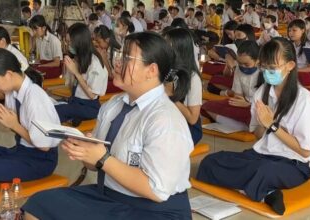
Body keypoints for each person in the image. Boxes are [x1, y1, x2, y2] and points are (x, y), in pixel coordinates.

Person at [22, 31, 194, 220]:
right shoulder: (114, 104)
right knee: (38, 205)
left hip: (153, 209)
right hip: (109, 197)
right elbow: (96, 165)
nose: (117, 63)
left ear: (151, 70)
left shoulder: (165, 119)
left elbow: (156, 190)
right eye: (118, 56)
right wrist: (85, 152)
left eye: (127, 58)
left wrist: (103, 158)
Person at [197, 37, 310, 216]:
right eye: (265, 67)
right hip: (261, 154)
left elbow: (305, 152)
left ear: (290, 65)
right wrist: (263, 126)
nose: (268, 72)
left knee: (264, 171)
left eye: (273, 67)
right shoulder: (262, 91)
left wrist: (273, 125)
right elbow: (258, 135)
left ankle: (256, 187)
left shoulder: (304, 99)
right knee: (210, 162)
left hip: (293, 164)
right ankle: (265, 192)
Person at [0, 48, 60, 198]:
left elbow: (44, 146)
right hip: (20, 151)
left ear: (9, 74)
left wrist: (14, 125)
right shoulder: (12, 93)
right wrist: (10, 124)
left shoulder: (35, 98)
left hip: (40, 161)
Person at [55, 23, 108, 126]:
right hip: (75, 102)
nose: (68, 45)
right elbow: (70, 86)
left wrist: (76, 73)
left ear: (79, 42)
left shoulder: (95, 63)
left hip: (89, 107)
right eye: (67, 42)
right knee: (49, 105)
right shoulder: (78, 58)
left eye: (70, 42)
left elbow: (92, 95)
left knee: (56, 111)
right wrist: (68, 70)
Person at [202, 41, 261, 131]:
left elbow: (269, 104)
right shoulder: (238, 69)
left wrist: (249, 105)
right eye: (240, 63)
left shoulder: (265, 73)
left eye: (246, 64)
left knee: (256, 116)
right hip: (243, 105)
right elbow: (237, 95)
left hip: (257, 108)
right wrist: (239, 102)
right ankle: (241, 126)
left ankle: (243, 125)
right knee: (206, 106)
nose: (242, 67)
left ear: (257, 61)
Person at [163, 28, 203, 145]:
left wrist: (170, 96)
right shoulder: (166, 69)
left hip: (186, 127)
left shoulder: (193, 78)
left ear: (179, 49)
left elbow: (192, 119)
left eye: (167, 45)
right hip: (165, 119)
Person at [93, 25, 122, 93]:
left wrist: (104, 60)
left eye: (99, 42)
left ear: (107, 40)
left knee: (94, 87)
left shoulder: (116, 53)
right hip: (110, 81)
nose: (98, 45)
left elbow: (112, 77)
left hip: (116, 85)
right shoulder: (107, 49)